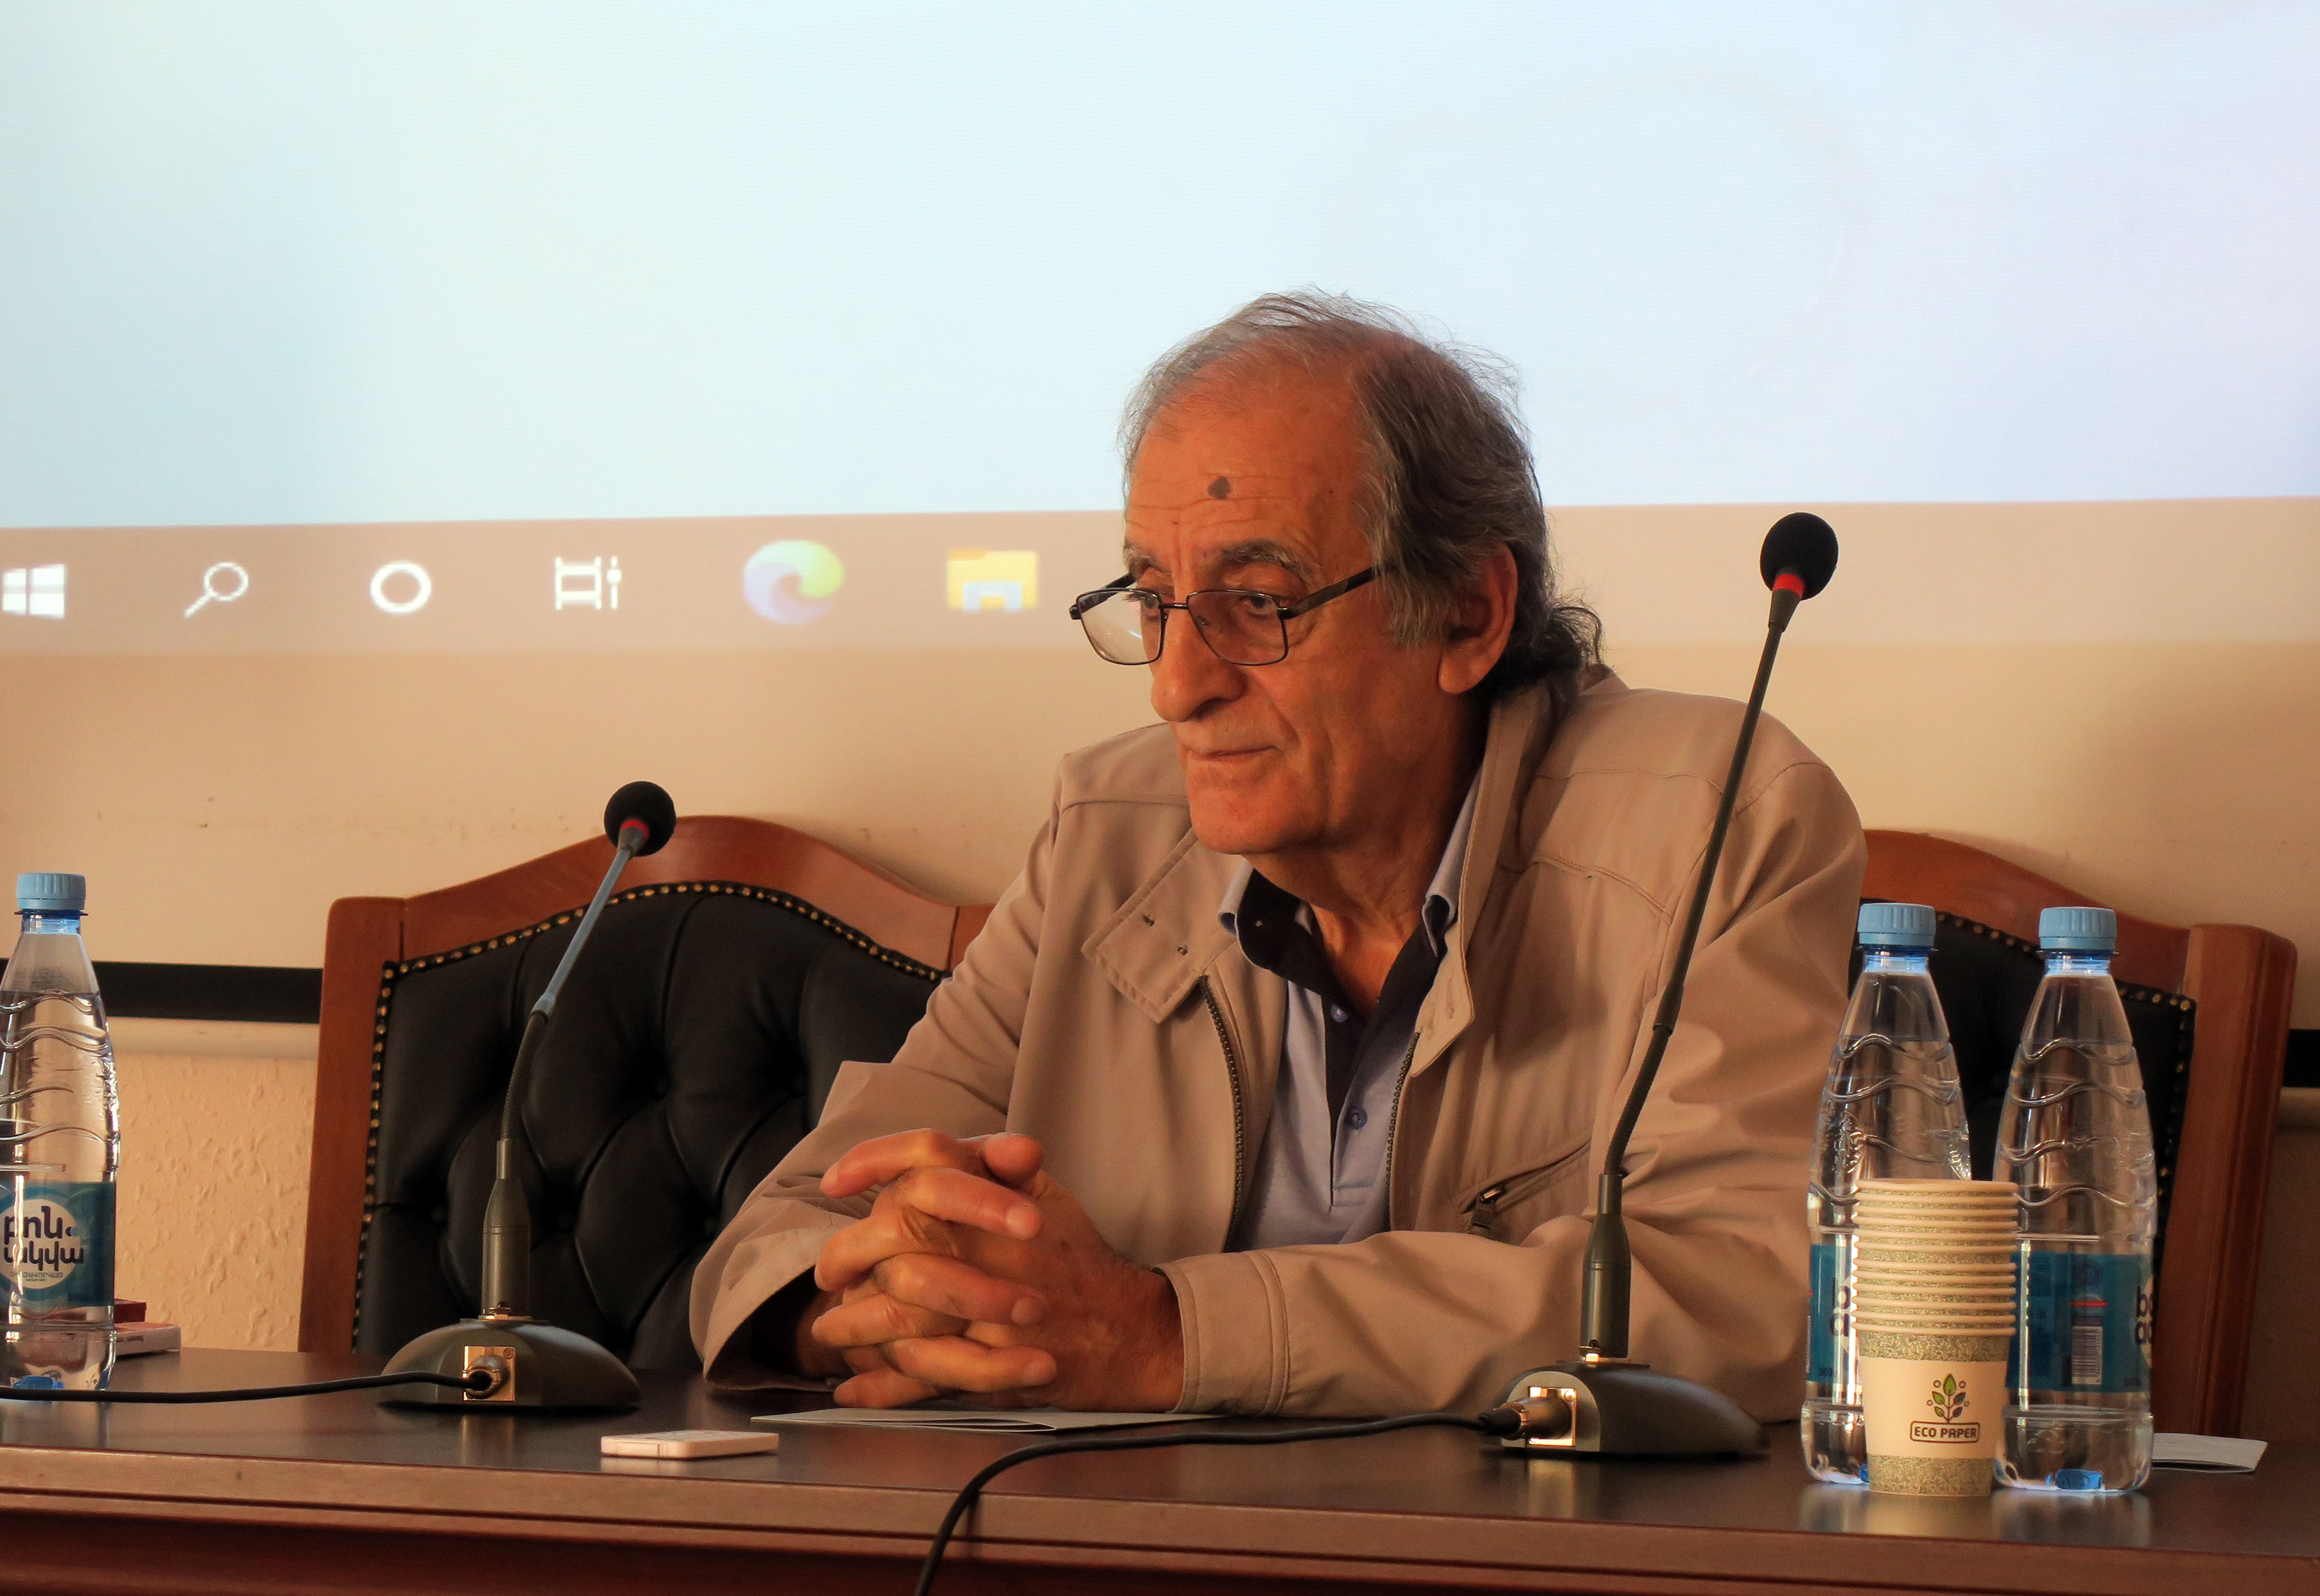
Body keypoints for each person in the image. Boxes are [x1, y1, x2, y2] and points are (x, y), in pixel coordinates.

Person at [690, 292, 1863, 1418]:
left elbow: (1747, 1290)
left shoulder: (1720, 818)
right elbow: (788, 1230)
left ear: (1467, 611)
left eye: (1257, 602)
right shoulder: (1109, 831)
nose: (1176, 686)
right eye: (1153, 598)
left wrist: (1167, 1335)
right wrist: (874, 1309)